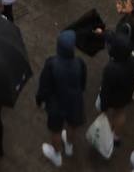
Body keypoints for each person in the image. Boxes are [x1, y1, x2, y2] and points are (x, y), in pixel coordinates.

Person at [35, 29, 87, 167]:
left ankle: (57, 155)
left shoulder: (51, 64)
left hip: (56, 104)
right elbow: (82, 84)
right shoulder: (80, 63)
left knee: (56, 130)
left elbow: (44, 86)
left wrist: (39, 99)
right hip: (75, 102)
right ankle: (69, 146)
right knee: (72, 125)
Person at [98, 30, 134, 146]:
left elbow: (105, 89)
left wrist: (103, 106)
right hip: (126, 94)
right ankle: (116, 136)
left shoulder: (111, 69)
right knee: (120, 113)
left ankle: (107, 135)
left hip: (113, 96)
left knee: (111, 115)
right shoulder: (132, 60)